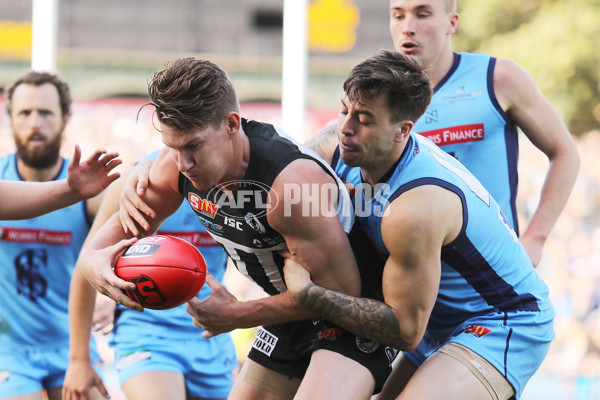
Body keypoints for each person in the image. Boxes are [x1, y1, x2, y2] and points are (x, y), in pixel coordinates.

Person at [72, 57, 396, 400]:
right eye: (172, 146)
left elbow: (341, 291)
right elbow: (96, 252)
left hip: (354, 313)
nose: (184, 163)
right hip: (289, 310)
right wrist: (97, 268)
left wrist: (238, 314)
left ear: (231, 124)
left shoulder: (291, 186)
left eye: (193, 146)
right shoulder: (173, 168)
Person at [282, 50, 555, 400]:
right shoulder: (338, 144)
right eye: (344, 109)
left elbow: (405, 329)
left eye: (364, 119)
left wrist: (311, 296)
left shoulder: (417, 205)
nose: (345, 127)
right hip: (433, 317)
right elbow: (280, 181)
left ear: (403, 130)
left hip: (502, 320)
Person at [315, 0, 580, 268]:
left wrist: (536, 237)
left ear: (452, 22)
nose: (407, 27)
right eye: (398, 15)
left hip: (488, 281)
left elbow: (565, 152)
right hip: (402, 271)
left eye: (422, 14)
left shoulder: (497, 78)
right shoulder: (371, 101)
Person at [63, 150, 237, 400]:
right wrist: (79, 360)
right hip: (147, 332)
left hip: (212, 333)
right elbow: (87, 264)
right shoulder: (136, 185)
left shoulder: (240, 184)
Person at [0, 71, 120, 400]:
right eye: (25, 113)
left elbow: (129, 249)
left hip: (72, 346)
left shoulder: (92, 191)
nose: (35, 123)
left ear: (66, 118)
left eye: (45, 112)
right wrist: (69, 191)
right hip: (8, 350)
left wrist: (112, 298)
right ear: (9, 118)